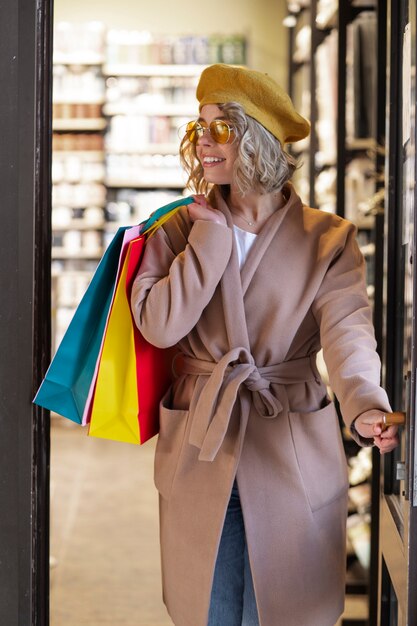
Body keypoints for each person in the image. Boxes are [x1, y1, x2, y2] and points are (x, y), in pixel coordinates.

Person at [130, 64, 399, 626]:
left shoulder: (327, 239)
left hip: (288, 440)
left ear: (257, 140)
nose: (202, 141)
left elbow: (348, 333)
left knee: (284, 608)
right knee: (209, 609)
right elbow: (158, 325)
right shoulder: (178, 229)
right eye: (197, 128)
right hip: (202, 440)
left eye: (220, 128)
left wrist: (367, 404)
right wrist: (210, 239)